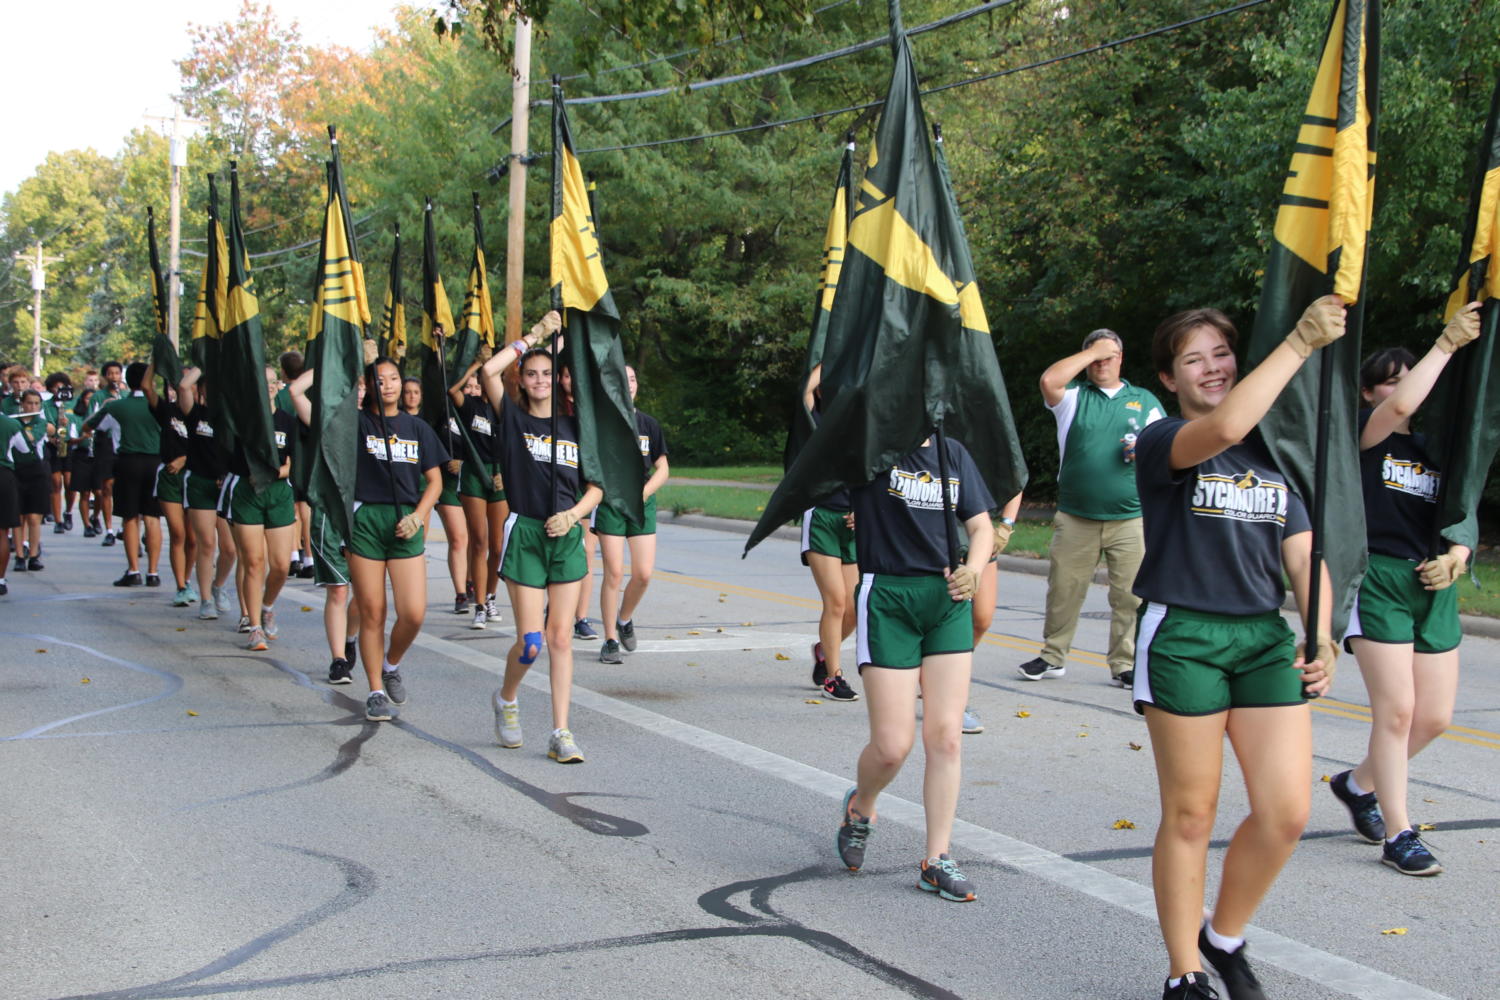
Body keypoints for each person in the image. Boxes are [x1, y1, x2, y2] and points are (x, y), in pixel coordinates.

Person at [1131, 298, 1342, 1000]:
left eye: (1221, 353)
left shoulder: (1277, 453)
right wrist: (1301, 341)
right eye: (1193, 359)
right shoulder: (1165, 439)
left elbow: (1305, 552)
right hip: (1185, 634)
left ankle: (1222, 938)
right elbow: (1222, 425)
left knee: (1287, 812)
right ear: (1168, 378)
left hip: (1261, 638)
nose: (1212, 368)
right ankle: (1182, 971)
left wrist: (1320, 631)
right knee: (1191, 813)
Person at [1329, 303, 1482, 878]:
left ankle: (1357, 783)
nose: (1400, 388)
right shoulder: (1370, 437)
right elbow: (1401, 405)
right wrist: (1446, 343)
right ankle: (1400, 833)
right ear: (1369, 394)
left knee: (1435, 717)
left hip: (1433, 582)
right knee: (1396, 713)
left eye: (1407, 373)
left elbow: (1461, 516)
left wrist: (1457, 558)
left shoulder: (1444, 448)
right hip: (1380, 578)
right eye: (1387, 380)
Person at [834, 430, 994, 904]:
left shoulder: (954, 452)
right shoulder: (870, 447)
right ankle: (861, 808)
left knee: (945, 735)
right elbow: (824, 408)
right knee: (891, 747)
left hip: (948, 598)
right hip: (888, 597)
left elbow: (981, 525)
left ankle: (937, 859)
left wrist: (976, 568)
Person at [478, 311, 602, 763]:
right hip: (527, 531)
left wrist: (572, 516)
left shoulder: (575, 427)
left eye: (547, 373)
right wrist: (535, 337)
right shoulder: (511, 420)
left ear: (558, 379)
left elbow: (597, 487)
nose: (540, 380)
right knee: (531, 643)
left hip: (566, 534)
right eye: (531, 373)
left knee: (561, 639)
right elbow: (488, 371)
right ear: (522, 380)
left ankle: (561, 731)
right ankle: (507, 698)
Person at [1019, 329, 1164, 687]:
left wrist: (1144, 451)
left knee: (1130, 596)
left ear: (1122, 359)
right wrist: (1093, 351)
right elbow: (1049, 379)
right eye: (1094, 357)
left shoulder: (1143, 400)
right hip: (1076, 515)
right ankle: (1053, 656)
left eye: (1109, 355)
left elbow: (1166, 450)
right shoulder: (1073, 398)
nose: (1102, 362)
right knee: (1064, 590)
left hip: (1130, 517)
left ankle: (1125, 664)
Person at [349, 354, 446, 722]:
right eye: (379, 378)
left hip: (406, 521)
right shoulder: (356, 423)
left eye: (393, 379)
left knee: (413, 613)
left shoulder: (417, 427)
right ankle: (375, 690)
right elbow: (318, 399)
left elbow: (435, 481)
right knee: (372, 611)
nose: (387, 385)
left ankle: (391, 664)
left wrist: (419, 517)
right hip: (367, 520)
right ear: (368, 385)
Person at [287, 367, 363, 686]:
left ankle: (350, 636)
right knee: (338, 591)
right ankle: (338, 660)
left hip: (365, 517)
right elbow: (295, 393)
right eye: (352, 387)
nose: (358, 392)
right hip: (331, 516)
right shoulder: (328, 420)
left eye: (362, 387)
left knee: (366, 595)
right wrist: (327, 361)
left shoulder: (379, 421)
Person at [597, 366, 669, 664]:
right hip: (611, 500)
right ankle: (610, 640)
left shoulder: (648, 424)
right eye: (622, 380)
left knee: (643, 574)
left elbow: (663, 469)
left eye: (633, 379)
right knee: (614, 572)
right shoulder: (602, 423)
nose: (629, 385)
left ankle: (624, 619)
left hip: (641, 501)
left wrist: (643, 493)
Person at [222, 366, 298, 651]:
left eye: (272, 381)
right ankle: (254, 627)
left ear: (279, 386)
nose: (268, 386)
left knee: (280, 565)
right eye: (262, 382)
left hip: (278, 493)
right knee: (253, 562)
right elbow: (233, 460)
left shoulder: (287, 422)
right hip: (248, 493)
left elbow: (292, 463)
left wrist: (274, 473)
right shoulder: (244, 421)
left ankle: (267, 606)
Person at [797, 363, 860, 701]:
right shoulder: (813, 423)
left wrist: (863, 510)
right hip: (821, 515)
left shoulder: (859, 428)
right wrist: (836, 349)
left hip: (852, 523)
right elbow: (805, 390)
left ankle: (824, 649)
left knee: (853, 608)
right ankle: (834, 676)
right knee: (835, 602)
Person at [82, 362, 162, 586]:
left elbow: (88, 427)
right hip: (155, 462)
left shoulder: (116, 407)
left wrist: (105, 406)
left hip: (128, 461)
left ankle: (133, 570)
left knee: (130, 516)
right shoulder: (158, 404)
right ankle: (153, 573)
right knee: (152, 517)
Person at [447, 355, 508, 629]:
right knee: (479, 541)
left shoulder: (504, 408)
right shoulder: (470, 405)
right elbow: (452, 391)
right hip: (474, 474)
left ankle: (492, 596)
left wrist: (506, 476)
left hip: (499, 476)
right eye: (480, 380)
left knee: (497, 546)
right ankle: (480, 605)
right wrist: (475, 366)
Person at [407, 369, 471, 616]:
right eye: (409, 392)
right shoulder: (431, 417)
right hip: (438, 484)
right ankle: (461, 593)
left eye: (416, 392)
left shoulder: (471, 412)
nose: (412, 397)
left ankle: (473, 581)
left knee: (477, 540)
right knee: (458, 538)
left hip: (470, 482)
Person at [177, 368, 237, 621]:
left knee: (230, 548)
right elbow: (182, 387)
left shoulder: (231, 417)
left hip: (224, 486)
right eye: (207, 387)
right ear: (200, 390)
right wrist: (207, 359)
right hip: (199, 483)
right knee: (207, 544)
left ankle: (219, 585)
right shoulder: (195, 414)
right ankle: (204, 599)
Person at [964, 493, 1025, 734]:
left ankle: (939, 680)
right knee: (944, 618)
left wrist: (1005, 526)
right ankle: (951, 698)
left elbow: (1015, 479)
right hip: (942, 527)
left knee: (981, 619)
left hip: (981, 530)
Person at [141, 364, 198, 607]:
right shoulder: (167, 410)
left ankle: (188, 578)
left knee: (193, 539)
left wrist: (185, 458)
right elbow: (146, 386)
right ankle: (181, 585)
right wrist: (158, 359)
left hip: (195, 475)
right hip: (170, 477)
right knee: (178, 533)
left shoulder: (204, 414)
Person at [11, 390, 53, 571]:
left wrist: (11, 424)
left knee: (34, 517)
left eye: (36, 404)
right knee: (18, 516)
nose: (33, 407)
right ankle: (20, 555)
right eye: (29, 403)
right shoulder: (13, 422)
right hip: (16, 471)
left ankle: (34, 555)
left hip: (37, 472)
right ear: (22, 404)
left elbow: (31, 438)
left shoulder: (40, 422)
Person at [0, 404, 24, 595]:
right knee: (2, 532)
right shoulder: (11, 424)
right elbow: (24, 450)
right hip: (4, 475)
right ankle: (0, 579)